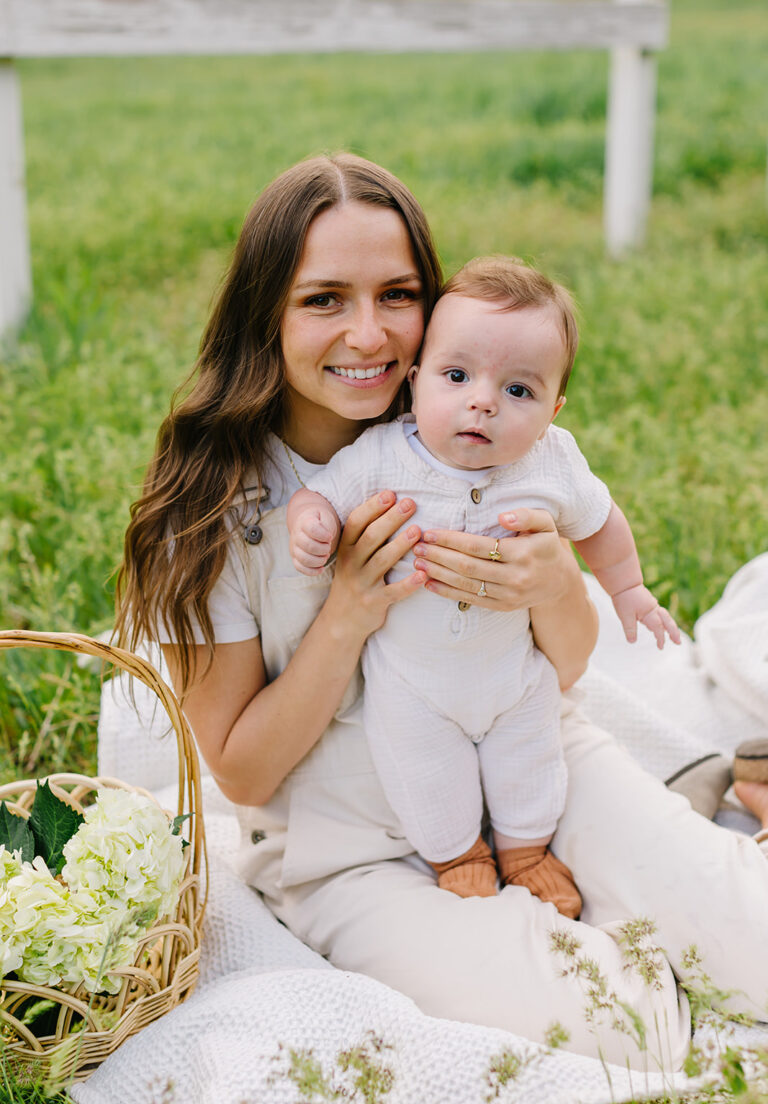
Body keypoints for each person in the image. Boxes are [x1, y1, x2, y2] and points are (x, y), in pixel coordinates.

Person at [116, 152, 768, 1072]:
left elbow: (571, 668)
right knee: (620, 1030)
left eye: (398, 293)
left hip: (534, 760)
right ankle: (653, 862)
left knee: (754, 945)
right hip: (350, 845)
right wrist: (347, 610)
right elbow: (247, 775)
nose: (367, 332)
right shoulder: (219, 512)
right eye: (324, 299)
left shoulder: (486, 431)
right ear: (266, 312)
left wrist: (548, 589)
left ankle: (710, 823)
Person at [286, 255, 679, 915]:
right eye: (458, 375)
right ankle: (458, 853)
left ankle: (526, 849)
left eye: (518, 391)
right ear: (416, 383)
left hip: (512, 674)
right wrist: (313, 524)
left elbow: (601, 522)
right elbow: (320, 494)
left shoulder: (551, 462)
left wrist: (629, 589)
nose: (483, 401)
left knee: (531, 756)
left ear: (553, 409)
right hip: (415, 684)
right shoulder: (384, 454)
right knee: (425, 772)